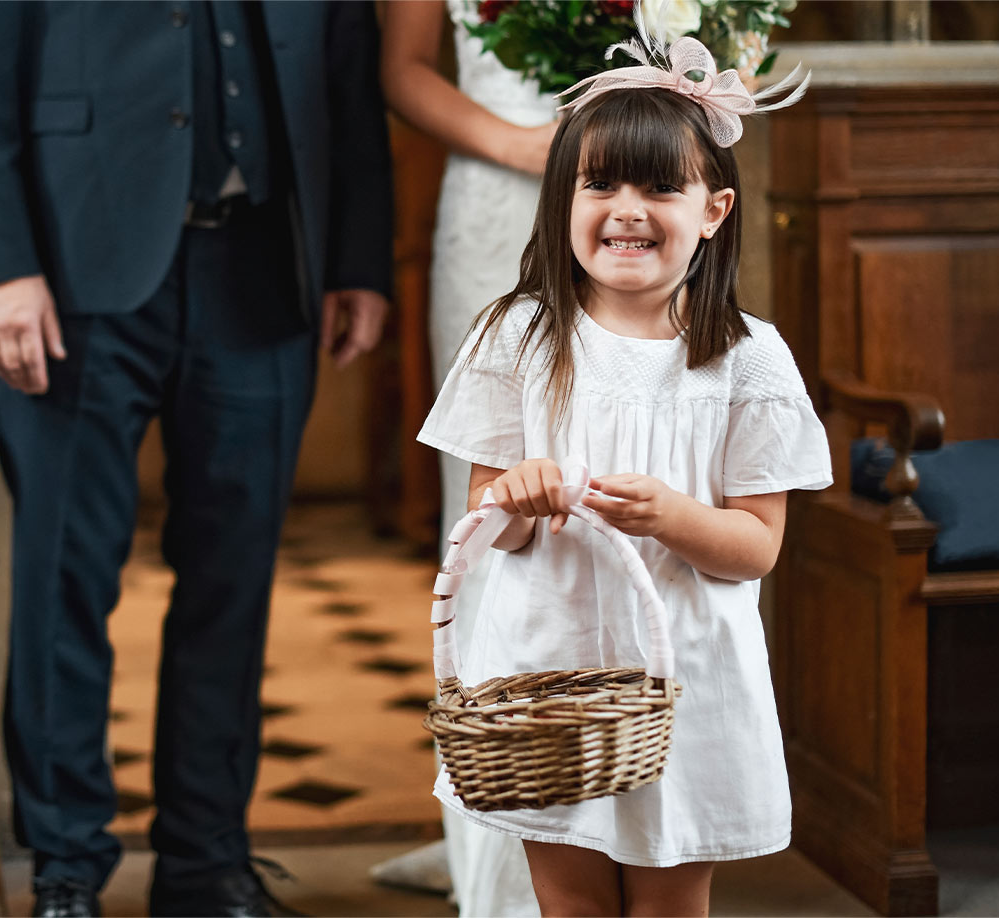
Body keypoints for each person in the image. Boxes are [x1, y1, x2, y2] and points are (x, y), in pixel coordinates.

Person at [0, 3, 392, 916]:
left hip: (263, 272)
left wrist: (359, 259)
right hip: (68, 272)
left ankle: (207, 860)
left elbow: (348, 82)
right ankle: (66, 867)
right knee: (65, 580)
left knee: (236, 583)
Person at [417, 36, 830, 917]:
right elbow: (491, 517)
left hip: (686, 676)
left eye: (659, 187)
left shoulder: (749, 361)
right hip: (549, 675)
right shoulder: (518, 336)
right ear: (562, 199)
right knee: (571, 906)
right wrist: (516, 494)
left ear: (714, 209)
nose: (627, 209)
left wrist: (674, 516)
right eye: (599, 184)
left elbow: (756, 547)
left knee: (670, 906)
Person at [378, 3, 555, 912]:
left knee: (628, 510)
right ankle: (485, 837)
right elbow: (403, 67)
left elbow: (736, 46)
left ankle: (600, 824)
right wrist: (521, 145)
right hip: (499, 196)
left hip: (645, 204)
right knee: (487, 520)